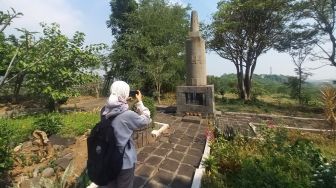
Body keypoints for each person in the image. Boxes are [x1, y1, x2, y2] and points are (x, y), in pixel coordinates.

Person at [100, 81, 151, 188]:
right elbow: (146, 119)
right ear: (125, 93)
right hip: (124, 162)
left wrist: (124, 101)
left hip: (108, 158)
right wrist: (140, 102)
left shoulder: (104, 111)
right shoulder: (127, 115)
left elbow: (116, 109)